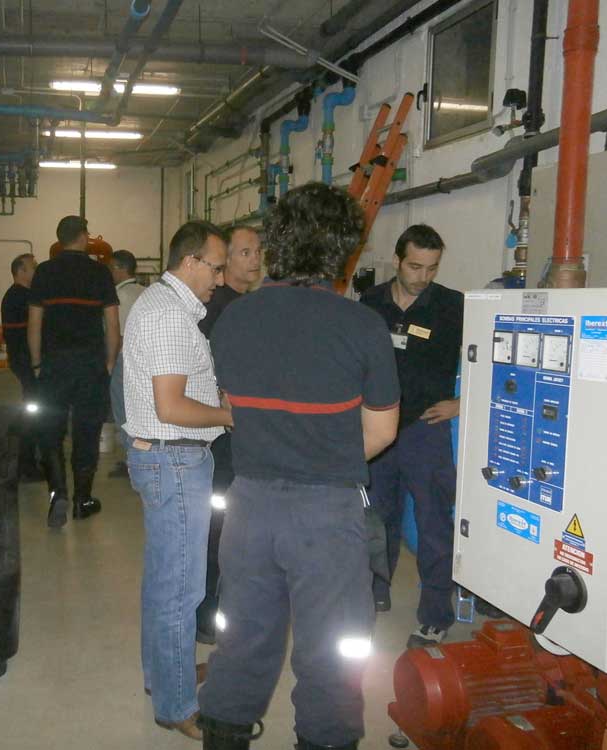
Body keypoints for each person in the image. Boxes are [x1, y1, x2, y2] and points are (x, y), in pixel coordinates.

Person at [198, 183, 400, 750]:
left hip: (250, 507)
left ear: (275, 245)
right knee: (333, 650)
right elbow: (381, 431)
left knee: (242, 637)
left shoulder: (233, 320)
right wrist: (324, 453)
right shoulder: (361, 326)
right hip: (326, 513)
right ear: (341, 249)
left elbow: (232, 410)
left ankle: (224, 735)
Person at [122, 220, 234, 741]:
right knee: (182, 589)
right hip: (175, 460)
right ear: (189, 262)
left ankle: (164, 676)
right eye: (215, 266)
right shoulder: (169, 316)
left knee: (165, 581)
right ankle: (175, 704)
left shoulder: (163, 307)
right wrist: (228, 415)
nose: (220, 276)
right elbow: (171, 406)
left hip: (165, 460)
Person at [360, 223, 463, 649]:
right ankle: (374, 590)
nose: (423, 277)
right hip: (378, 428)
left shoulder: (452, 306)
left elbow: (492, 358)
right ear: (398, 260)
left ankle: (436, 614)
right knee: (376, 517)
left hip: (426, 431)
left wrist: (464, 401)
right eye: (415, 267)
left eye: (432, 268)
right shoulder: (370, 304)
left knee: (433, 521)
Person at [28, 215, 120, 528]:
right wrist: (109, 362)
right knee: (87, 431)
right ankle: (83, 500)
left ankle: (58, 494)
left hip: (54, 365)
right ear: (83, 237)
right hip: (90, 365)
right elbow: (112, 324)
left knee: (50, 430)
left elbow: (35, 324)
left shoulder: (44, 272)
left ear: (59, 239)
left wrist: (38, 363)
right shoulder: (100, 273)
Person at [195, 225, 262, 644]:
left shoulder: (251, 305)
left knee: (236, 521)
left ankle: (228, 603)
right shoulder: (215, 307)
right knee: (217, 520)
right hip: (219, 432)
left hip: (244, 429)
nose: (254, 259)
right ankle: (206, 611)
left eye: (257, 252)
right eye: (244, 252)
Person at [1, 253, 41, 480]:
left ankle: (18, 436)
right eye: (32, 267)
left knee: (30, 407)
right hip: (26, 363)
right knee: (33, 410)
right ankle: (26, 466)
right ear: (21, 271)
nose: (36, 270)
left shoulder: (15, 296)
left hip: (21, 361)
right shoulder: (23, 298)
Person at [107, 249, 145, 478]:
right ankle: (139, 457)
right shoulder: (145, 291)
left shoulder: (118, 297)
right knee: (140, 412)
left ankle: (132, 460)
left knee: (123, 411)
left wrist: (110, 361)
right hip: (144, 361)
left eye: (111, 267)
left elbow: (116, 334)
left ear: (120, 268)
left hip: (124, 358)